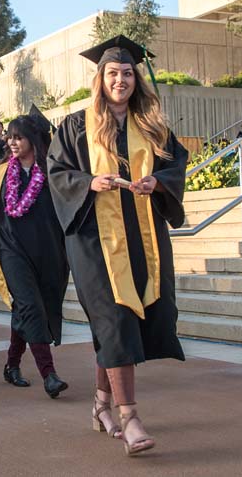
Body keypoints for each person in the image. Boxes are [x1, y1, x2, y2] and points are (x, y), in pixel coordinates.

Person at [47, 35, 188, 456]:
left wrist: (157, 182)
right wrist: (89, 181)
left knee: (124, 322)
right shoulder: (75, 126)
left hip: (142, 238)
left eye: (127, 73)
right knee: (113, 320)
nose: (121, 80)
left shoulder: (152, 126)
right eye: (113, 73)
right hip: (93, 239)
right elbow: (57, 174)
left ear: (136, 78)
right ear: (100, 78)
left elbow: (175, 165)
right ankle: (130, 418)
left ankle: (101, 405)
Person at [0, 110, 70, 399]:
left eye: (19, 137)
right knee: (30, 306)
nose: (12, 142)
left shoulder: (52, 172)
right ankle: (50, 375)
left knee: (30, 309)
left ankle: (11, 365)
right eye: (10, 137)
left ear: (34, 140)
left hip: (47, 253)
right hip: (11, 252)